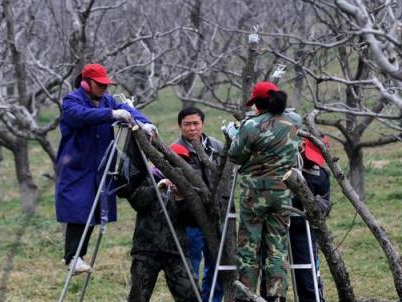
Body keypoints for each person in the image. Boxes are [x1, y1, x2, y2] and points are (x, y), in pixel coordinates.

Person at [55, 63, 155, 274]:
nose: (104, 88)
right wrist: (112, 114)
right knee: (78, 210)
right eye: (99, 84)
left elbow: (128, 110)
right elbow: (80, 116)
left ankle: (77, 257)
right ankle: (72, 257)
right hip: (77, 167)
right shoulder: (72, 100)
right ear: (86, 83)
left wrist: (144, 123)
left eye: (105, 84)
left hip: (100, 166)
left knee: (93, 211)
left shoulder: (107, 100)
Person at [226, 81, 300, 302]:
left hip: (254, 195)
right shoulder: (293, 122)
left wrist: (234, 133)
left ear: (257, 104)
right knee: (277, 247)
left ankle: (246, 296)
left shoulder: (250, 126)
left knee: (249, 247)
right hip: (283, 193)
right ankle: (277, 296)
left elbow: (235, 155)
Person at [118, 141, 201, 302]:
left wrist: (181, 198)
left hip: (176, 252)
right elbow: (137, 201)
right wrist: (158, 188)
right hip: (146, 250)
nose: (176, 166)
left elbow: (194, 220)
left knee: (191, 296)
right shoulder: (147, 177)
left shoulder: (189, 185)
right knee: (138, 297)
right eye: (173, 161)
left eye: (182, 161)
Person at [173, 107, 224, 302]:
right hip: (189, 219)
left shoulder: (217, 147)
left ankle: (213, 299)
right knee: (191, 265)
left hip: (216, 217)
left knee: (216, 265)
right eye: (187, 124)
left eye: (196, 123)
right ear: (180, 126)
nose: (192, 128)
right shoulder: (174, 150)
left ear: (202, 124)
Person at [289, 136, 331, 302]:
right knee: (274, 274)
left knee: (308, 277)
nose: (311, 161)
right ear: (302, 147)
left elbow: (326, 206)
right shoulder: (286, 163)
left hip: (303, 230)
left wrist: (318, 205)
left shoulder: (321, 175)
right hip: (277, 225)